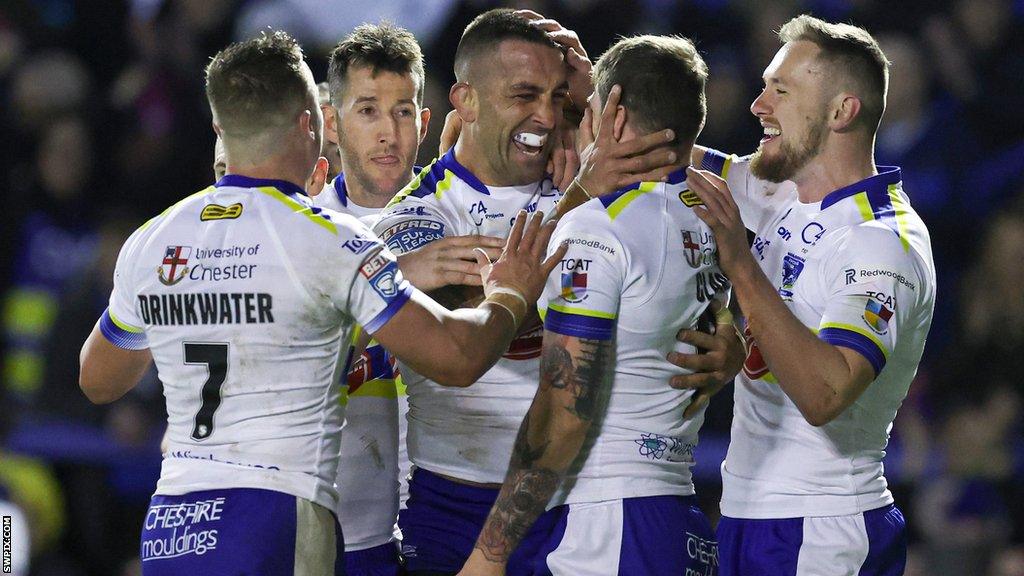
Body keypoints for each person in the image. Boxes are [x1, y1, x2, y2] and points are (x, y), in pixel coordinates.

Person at [78, 30, 564, 576]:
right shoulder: (330, 240)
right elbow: (457, 359)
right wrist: (510, 294)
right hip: (276, 514)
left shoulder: (151, 240)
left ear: (221, 129)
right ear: (314, 125)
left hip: (175, 520)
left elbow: (98, 380)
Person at [372, 10, 687, 575]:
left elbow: (697, 186)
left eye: (556, 97)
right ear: (465, 100)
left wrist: (603, 96)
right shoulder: (419, 213)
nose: (543, 115)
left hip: (571, 500)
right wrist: (580, 198)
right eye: (524, 95)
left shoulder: (589, 184)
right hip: (451, 500)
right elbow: (464, 328)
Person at [459, 34, 727, 576]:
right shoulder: (715, 213)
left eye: (589, 110)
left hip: (607, 523)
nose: (579, 125)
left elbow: (566, 413)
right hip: (678, 516)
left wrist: (490, 555)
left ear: (617, 117)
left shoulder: (597, 226)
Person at [687, 15, 936, 574]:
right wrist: (592, 92)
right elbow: (662, 156)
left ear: (841, 110)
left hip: (821, 530)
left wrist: (740, 265)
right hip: (748, 516)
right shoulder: (781, 192)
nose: (758, 105)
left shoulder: (881, 243)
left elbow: (826, 394)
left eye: (780, 90)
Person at [316, 23, 504, 576]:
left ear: (424, 122)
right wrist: (397, 276)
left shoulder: (455, 217)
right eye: (367, 110)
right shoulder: (305, 228)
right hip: (324, 522)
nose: (388, 134)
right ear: (331, 122)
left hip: (428, 514)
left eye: (402, 112)